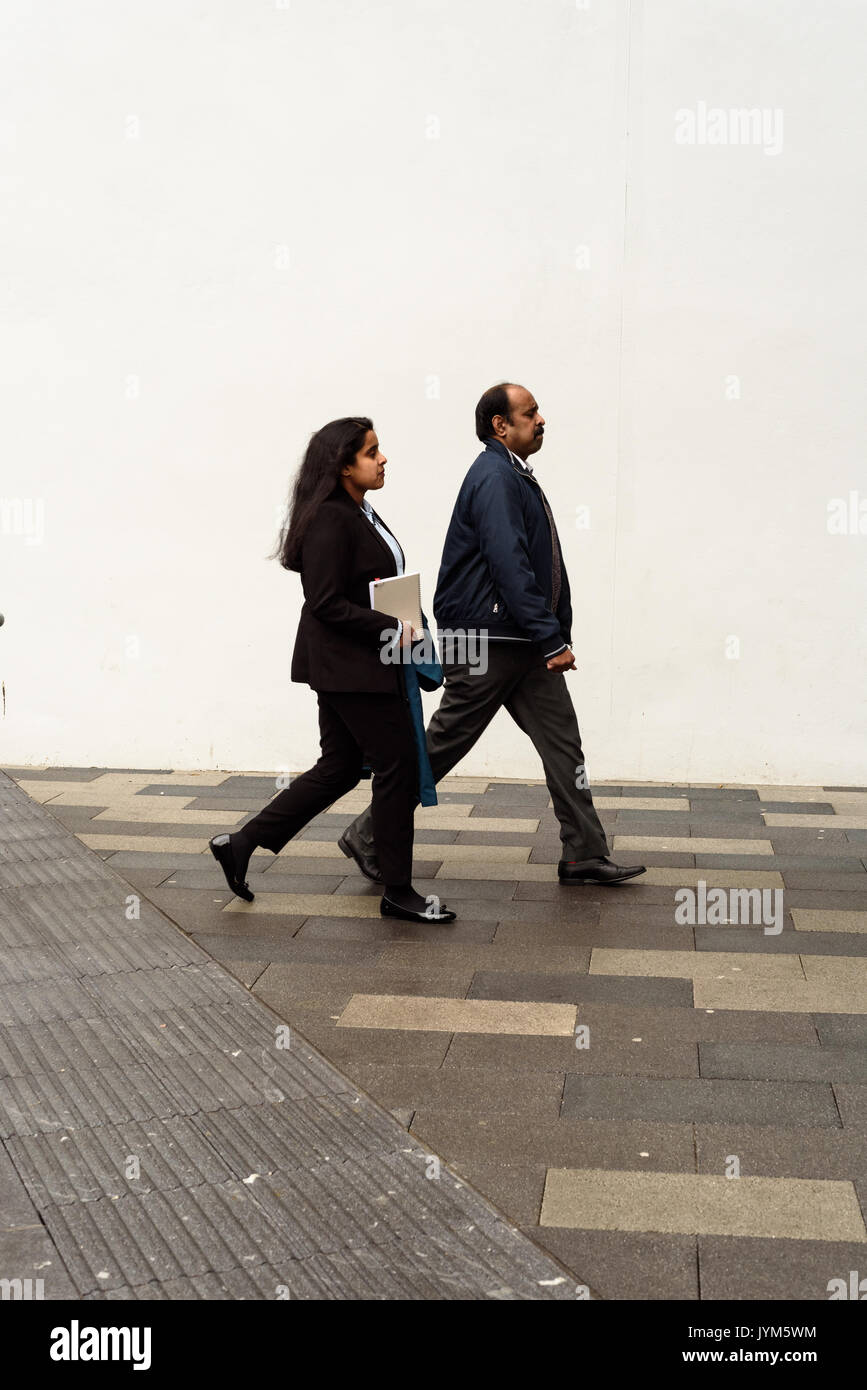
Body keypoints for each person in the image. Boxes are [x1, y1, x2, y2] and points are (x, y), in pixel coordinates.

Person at [338, 384, 646, 887]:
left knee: (563, 745)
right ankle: (368, 834)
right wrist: (552, 638)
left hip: (515, 640)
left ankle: (584, 852)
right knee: (444, 743)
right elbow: (510, 564)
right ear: (500, 425)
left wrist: (546, 634)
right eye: (530, 413)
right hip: (485, 638)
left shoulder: (513, 475)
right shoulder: (495, 477)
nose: (541, 419)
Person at [209, 416, 456, 924]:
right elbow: (324, 603)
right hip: (352, 669)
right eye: (372, 452)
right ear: (344, 465)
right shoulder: (330, 518)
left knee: (341, 767)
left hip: (364, 663)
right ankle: (399, 890)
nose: (383, 458)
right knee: (397, 768)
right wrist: (390, 624)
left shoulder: (360, 511)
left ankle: (241, 843)